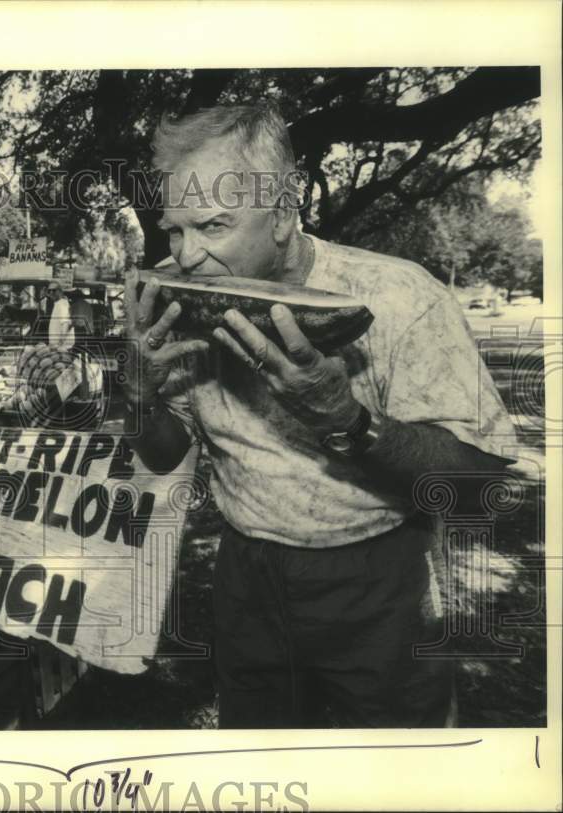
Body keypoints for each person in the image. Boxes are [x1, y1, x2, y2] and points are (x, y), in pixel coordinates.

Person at [122, 104, 517, 729]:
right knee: (263, 766)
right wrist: (138, 396)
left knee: (399, 769)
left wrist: (347, 418)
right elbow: (162, 455)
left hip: (376, 574)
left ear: (281, 216)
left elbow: (479, 484)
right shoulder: (172, 294)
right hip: (245, 572)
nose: (187, 256)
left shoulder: (401, 296)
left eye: (213, 226)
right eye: (174, 230)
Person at [46, 280, 74, 349]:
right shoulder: (58, 304)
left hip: (61, 347)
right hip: (57, 346)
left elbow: (65, 324)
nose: (51, 293)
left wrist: (60, 344)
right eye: (49, 291)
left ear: (60, 291)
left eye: (54, 290)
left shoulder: (62, 304)